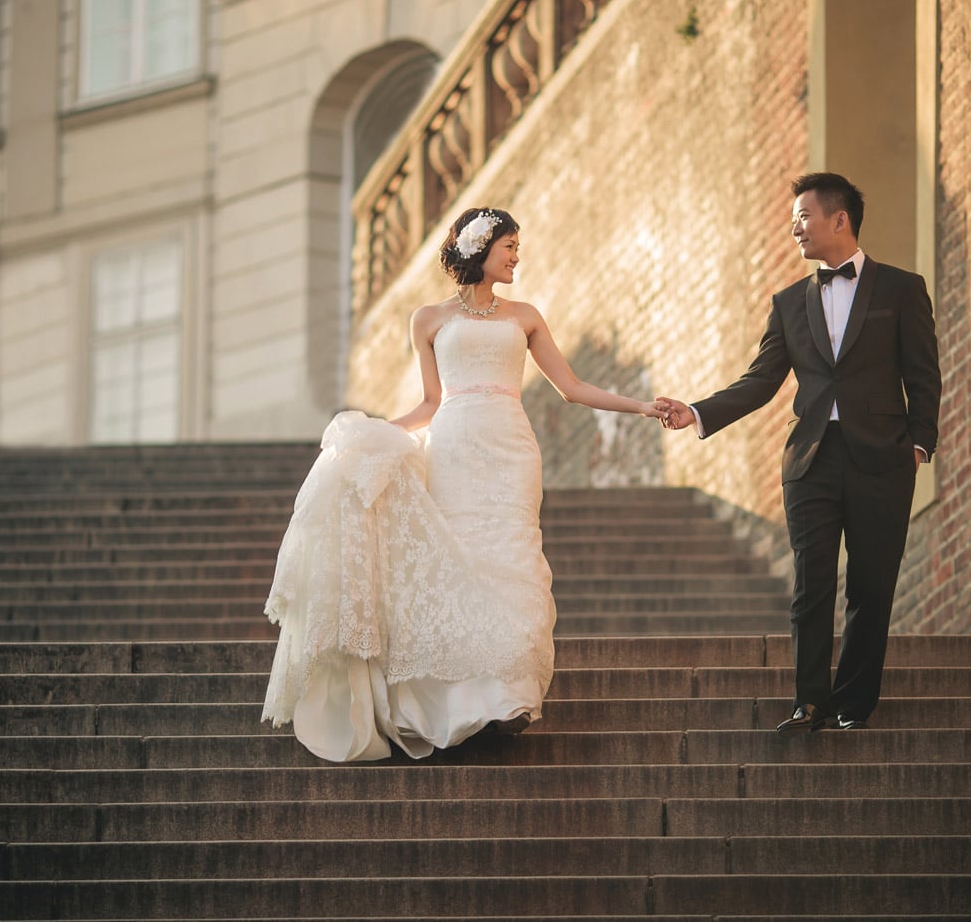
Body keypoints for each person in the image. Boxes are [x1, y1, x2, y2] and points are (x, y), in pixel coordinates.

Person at [263, 207, 669, 761]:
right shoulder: (427, 319)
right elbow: (431, 403)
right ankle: (459, 704)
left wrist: (643, 407)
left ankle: (509, 699)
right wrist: (375, 434)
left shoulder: (525, 316)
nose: (517, 256)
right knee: (457, 561)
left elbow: (572, 388)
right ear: (480, 248)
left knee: (513, 559)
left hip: (510, 449)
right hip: (453, 446)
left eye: (517, 246)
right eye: (509, 245)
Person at [658, 172, 941, 733]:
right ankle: (809, 701)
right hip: (811, 461)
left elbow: (923, 373)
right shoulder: (789, 303)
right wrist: (699, 410)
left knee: (871, 583)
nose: (795, 227)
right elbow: (760, 380)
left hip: (884, 459)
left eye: (805, 216)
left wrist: (918, 443)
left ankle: (853, 705)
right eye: (794, 218)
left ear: (841, 219)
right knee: (812, 582)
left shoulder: (902, 289)